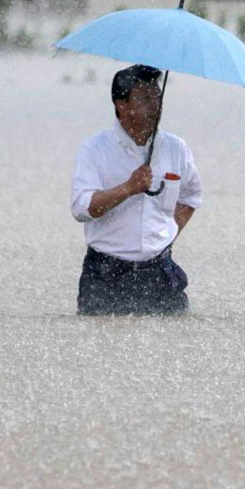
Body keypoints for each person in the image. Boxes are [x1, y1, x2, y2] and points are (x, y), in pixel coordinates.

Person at [70, 64, 202, 315]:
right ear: (121, 104)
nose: (155, 106)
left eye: (158, 97)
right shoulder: (95, 149)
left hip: (160, 271)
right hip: (106, 274)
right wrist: (128, 188)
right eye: (145, 99)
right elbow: (81, 208)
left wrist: (164, 237)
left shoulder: (176, 148)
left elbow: (190, 198)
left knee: (177, 335)